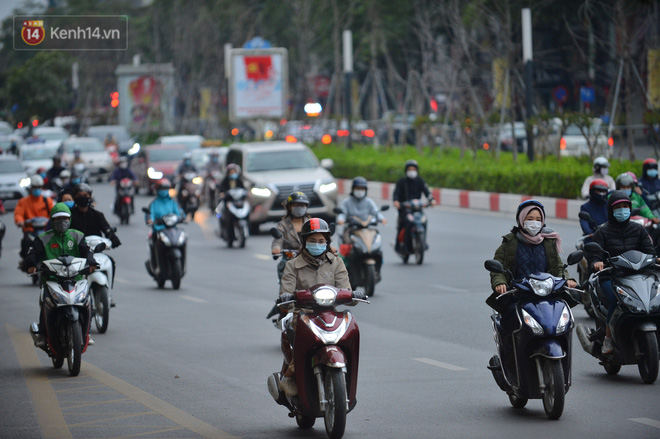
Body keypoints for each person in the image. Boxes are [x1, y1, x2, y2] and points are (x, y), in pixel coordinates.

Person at [276, 218, 354, 397]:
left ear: (327, 242)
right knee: (303, 347)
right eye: (312, 241)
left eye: (321, 241)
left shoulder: (337, 263)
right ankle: (288, 377)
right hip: (303, 316)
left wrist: (351, 295)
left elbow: (346, 289)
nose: (317, 244)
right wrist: (287, 298)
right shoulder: (292, 265)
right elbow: (285, 294)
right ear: (304, 242)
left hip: (330, 316)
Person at [490, 200, 577, 335]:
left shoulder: (548, 242)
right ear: (521, 219)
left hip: (547, 295)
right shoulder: (510, 243)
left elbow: (558, 267)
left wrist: (568, 280)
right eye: (530, 219)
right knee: (509, 322)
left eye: (538, 219)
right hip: (518, 295)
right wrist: (500, 282)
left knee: (564, 321)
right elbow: (498, 266)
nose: (534, 222)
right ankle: (510, 353)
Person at [587, 191, 658, 354]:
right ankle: (608, 338)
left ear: (630, 208)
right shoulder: (602, 232)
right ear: (611, 210)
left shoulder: (639, 229)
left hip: (638, 275)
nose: (622, 210)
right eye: (618, 207)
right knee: (616, 299)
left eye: (625, 206)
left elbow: (649, 251)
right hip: (611, 277)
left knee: (655, 296)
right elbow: (594, 255)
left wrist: (655, 259)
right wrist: (596, 262)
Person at [26, 203, 97, 348]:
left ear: (69, 219)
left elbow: (87, 251)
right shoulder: (43, 238)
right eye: (58, 219)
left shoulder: (77, 235)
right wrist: (32, 264)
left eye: (65, 218)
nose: (62, 221)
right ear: (52, 220)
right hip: (52, 280)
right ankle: (42, 333)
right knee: (47, 304)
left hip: (75, 280)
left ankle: (87, 333)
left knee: (87, 303)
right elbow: (33, 253)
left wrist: (91, 261)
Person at [392, 159, 434, 251]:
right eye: (410, 169)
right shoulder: (402, 182)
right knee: (405, 223)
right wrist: (396, 202)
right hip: (405, 209)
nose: (412, 172)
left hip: (417, 208)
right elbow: (396, 194)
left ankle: (422, 241)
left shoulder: (420, 181)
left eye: (414, 169)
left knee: (424, 221)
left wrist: (431, 200)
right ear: (406, 170)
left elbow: (427, 192)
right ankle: (400, 245)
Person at [14, 175, 54, 264]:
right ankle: (26, 262)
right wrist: (20, 221)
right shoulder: (23, 201)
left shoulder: (47, 201)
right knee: (26, 242)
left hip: (45, 231)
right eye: (34, 187)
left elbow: (53, 213)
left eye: (39, 187)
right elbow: (18, 213)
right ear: (31, 188)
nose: (37, 189)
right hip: (30, 231)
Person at [271, 191, 311, 281]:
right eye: (296, 205)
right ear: (289, 207)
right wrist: (276, 249)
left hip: (309, 260)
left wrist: (329, 247)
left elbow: (321, 238)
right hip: (289, 261)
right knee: (286, 289)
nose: (299, 208)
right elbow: (278, 239)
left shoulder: (311, 223)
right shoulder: (283, 225)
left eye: (302, 205)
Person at [337, 177, 387, 244]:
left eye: (362, 189)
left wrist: (382, 219)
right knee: (347, 244)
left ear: (365, 190)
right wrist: (341, 220)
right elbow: (342, 214)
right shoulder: (346, 202)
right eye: (358, 188)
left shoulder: (369, 202)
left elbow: (376, 212)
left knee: (376, 242)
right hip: (352, 229)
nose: (360, 191)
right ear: (353, 189)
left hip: (367, 229)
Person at [145, 179, 184, 265]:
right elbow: (149, 215)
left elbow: (180, 213)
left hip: (172, 230)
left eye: (165, 189)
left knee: (183, 239)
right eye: (161, 189)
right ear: (157, 190)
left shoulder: (173, 202)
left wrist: (182, 217)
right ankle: (155, 263)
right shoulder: (154, 204)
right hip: (158, 230)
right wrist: (150, 220)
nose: (164, 191)